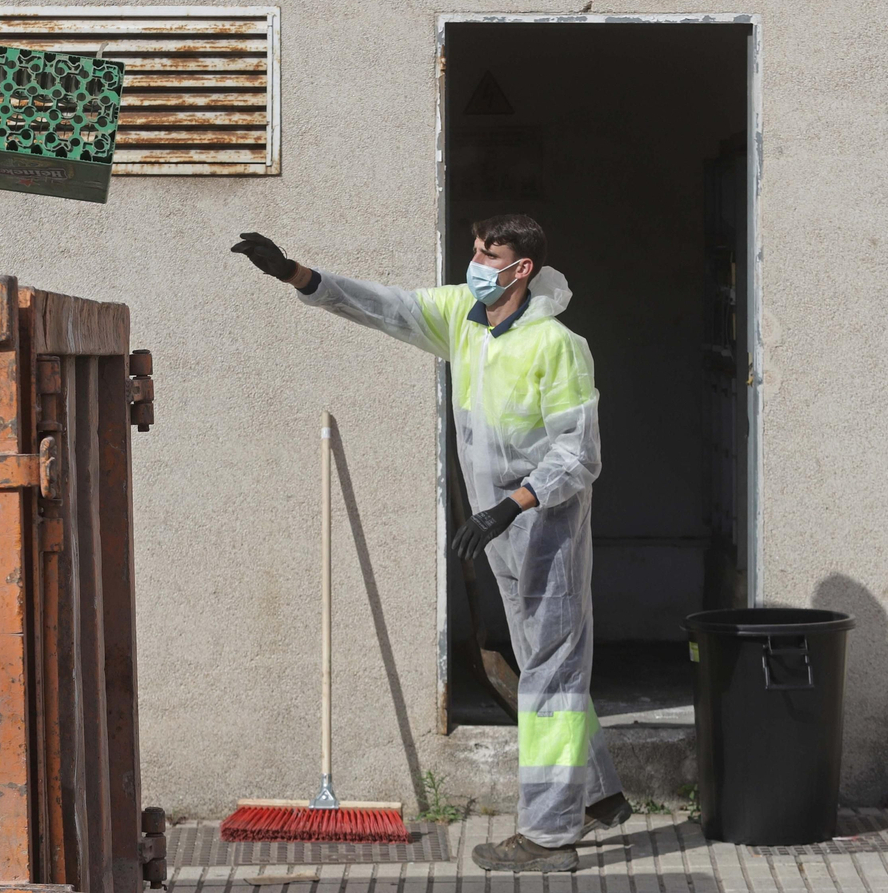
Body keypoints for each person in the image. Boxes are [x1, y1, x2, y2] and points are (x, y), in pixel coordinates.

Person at [233, 215, 630, 872]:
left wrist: (513, 504)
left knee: (552, 683)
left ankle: (550, 835)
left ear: (521, 267)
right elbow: (381, 305)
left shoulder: (556, 345)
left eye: (488, 252)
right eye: (474, 248)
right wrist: (293, 273)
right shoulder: (463, 317)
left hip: (544, 532)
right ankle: (597, 792)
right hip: (497, 530)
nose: (474, 260)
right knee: (546, 665)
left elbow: (578, 453)